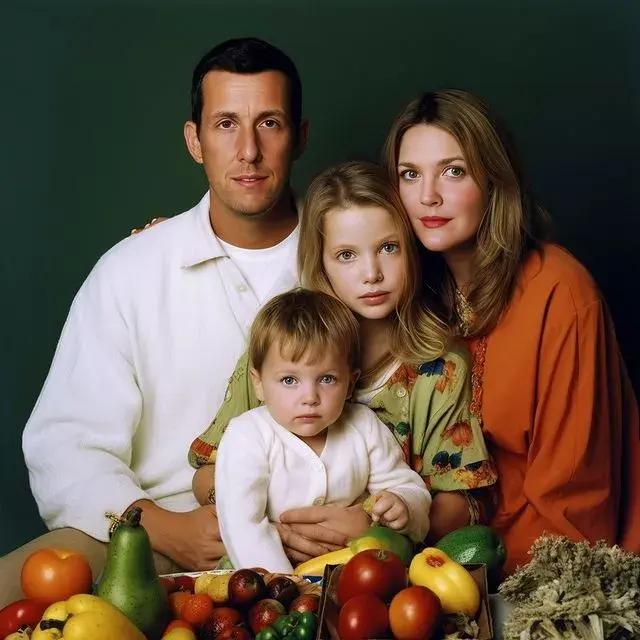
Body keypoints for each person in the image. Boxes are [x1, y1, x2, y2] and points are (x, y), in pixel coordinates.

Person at [0, 37, 327, 607]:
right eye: (225, 124)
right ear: (194, 140)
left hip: (309, 532)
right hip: (154, 530)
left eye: (268, 123)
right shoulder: (131, 270)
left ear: (299, 136)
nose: (247, 150)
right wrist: (163, 527)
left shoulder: (351, 263)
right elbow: (64, 445)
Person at [382, 88, 640, 573]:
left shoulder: (561, 293)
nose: (427, 196)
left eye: (453, 171)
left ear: (495, 179)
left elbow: (577, 506)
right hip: (434, 569)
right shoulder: (401, 290)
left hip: (544, 572)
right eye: (410, 175)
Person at [190, 161, 498, 560]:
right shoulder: (278, 347)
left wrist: (374, 523)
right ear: (320, 262)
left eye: (389, 248)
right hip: (273, 568)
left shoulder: (440, 368)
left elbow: (469, 503)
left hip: (384, 570)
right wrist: (263, 513)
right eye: (346, 255)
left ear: (412, 250)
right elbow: (203, 476)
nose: (372, 274)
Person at [215, 288, 432, 573]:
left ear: (350, 383)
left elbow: (407, 485)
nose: (310, 396)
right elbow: (243, 524)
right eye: (290, 380)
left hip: (352, 569)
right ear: (258, 383)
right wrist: (286, 584)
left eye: (327, 379)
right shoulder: (247, 435)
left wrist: (403, 504)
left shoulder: (364, 426)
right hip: (270, 575)